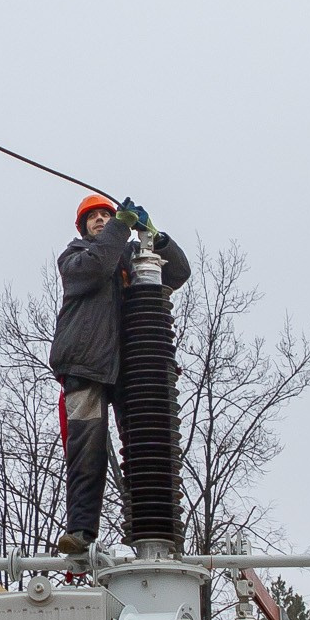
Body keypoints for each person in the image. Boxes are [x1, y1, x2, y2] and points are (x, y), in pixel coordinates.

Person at [49, 190, 190, 556]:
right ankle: (81, 531)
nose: (101, 220)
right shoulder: (75, 257)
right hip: (86, 367)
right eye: (94, 218)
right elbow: (97, 268)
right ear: (83, 227)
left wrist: (155, 238)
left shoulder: (131, 259)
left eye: (106, 216)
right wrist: (121, 229)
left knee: (148, 448)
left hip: (132, 370)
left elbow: (177, 272)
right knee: (87, 452)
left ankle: (154, 529)